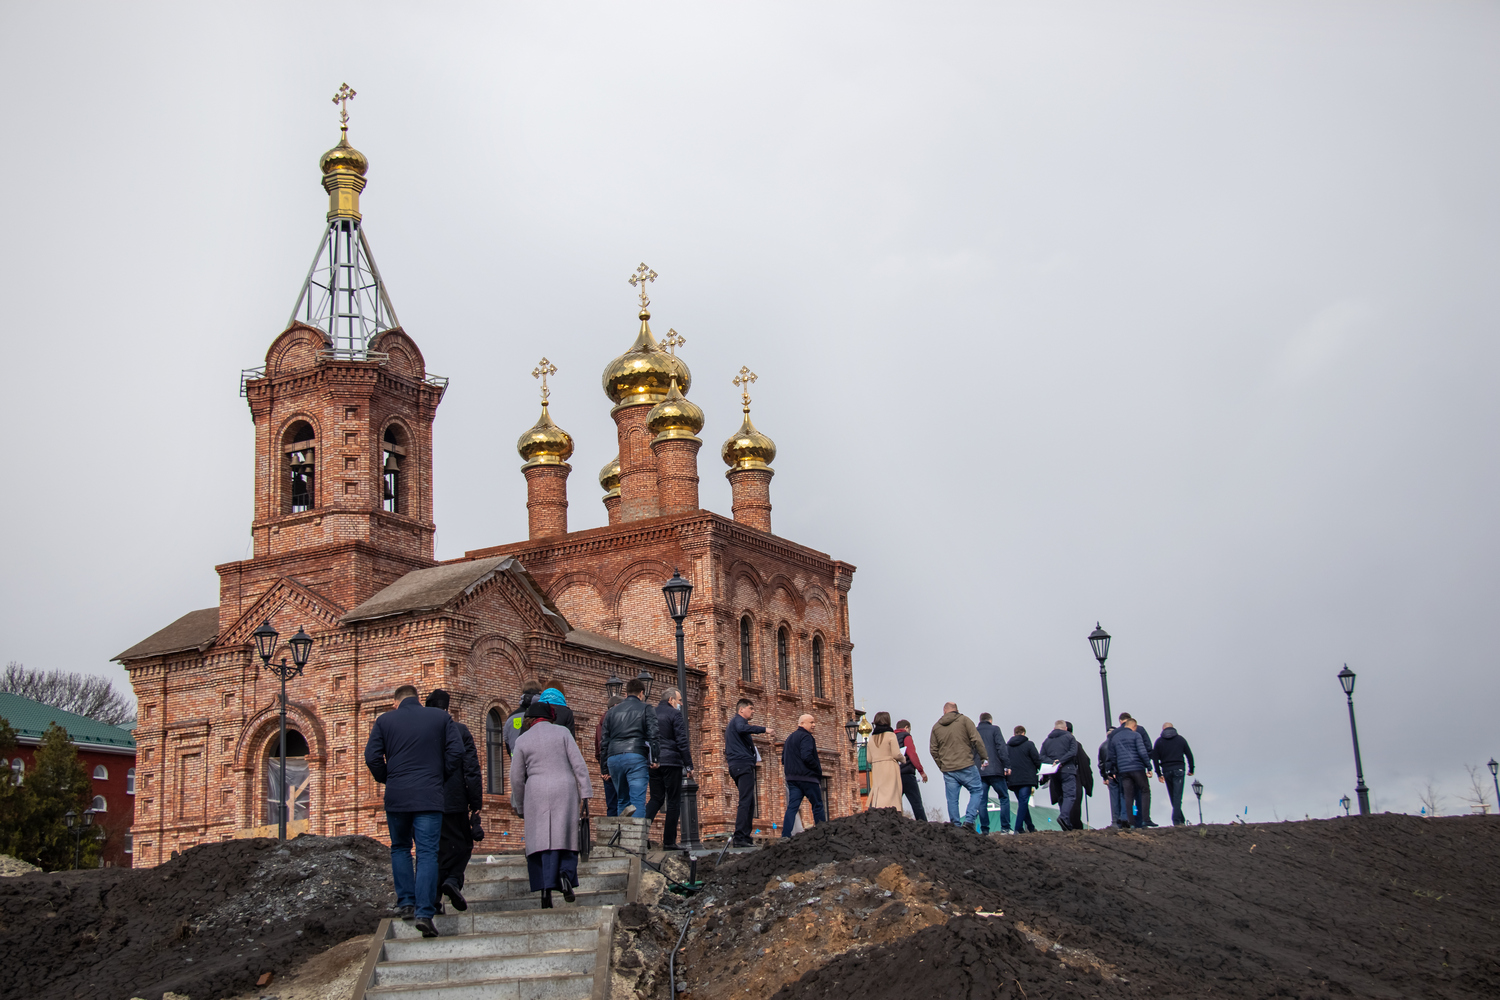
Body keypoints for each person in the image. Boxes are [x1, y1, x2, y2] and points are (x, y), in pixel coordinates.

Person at [364, 684, 463, 937]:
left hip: (397, 796)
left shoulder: (384, 720)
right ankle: (424, 913)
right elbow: (457, 751)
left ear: (396, 702)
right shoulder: (440, 717)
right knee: (428, 852)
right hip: (429, 796)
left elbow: (372, 757)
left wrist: (389, 778)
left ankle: (406, 903)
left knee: (400, 847)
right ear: (418, 700)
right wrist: (439, 775)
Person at [509, 701, 593, 908]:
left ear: (529, 720)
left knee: (541, 840)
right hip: (563, 787)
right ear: (550, 717)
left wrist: (520, 805)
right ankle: (565, 875)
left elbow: (516, 778)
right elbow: (579, 765)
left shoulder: (522, 740)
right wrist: (586, 794)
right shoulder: (563, 733)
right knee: (565, 835)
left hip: (536, 790)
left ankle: (545, 889)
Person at [424, 689, 482, 915]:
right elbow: (471, 769)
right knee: (463, 844)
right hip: (454, 799)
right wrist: (476, 802)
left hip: (426, 800)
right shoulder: (459, 730)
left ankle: (434, 902)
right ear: (447, 709)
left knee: (433, 851)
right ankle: (453, 879)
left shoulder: (421, 733)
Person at [601, 678, 659, 817]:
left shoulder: (611, 712)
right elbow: (654, 735)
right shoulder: (646, 708)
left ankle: (622, 836)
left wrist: (604, 768)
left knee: (622, 799)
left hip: (614, 757)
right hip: (636, 755)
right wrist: (655, 758)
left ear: (626, 694)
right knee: (637, 801)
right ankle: (637, 838)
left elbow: (604, 741)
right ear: (641, 693)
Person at [645, 687, 693, 849]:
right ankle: (669, 842)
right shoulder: (674, 714)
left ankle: (640, 835)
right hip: (671, 762)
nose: (680, 704)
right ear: (671, 700)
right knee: (673, 801)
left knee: (656, 799)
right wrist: (688, 764)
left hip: (654, 762)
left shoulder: (650, 713)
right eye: (679, 700)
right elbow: (681, 741)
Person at [929, 703, 988, 830]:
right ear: (956, 710)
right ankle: (969, 821)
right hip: (966, 765)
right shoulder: (965, 721)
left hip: (948, 769)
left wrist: (942, 765)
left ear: (944, 711)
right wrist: (984, 757)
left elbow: (933, 750)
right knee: (977, 790)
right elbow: (976, 740)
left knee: (952, 799)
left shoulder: (936, 727)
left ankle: (955, 826)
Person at [724, 698, 770, 847]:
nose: (753, 711)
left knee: (749, 802)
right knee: (746, 801)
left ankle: (745, 836)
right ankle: (739, 837)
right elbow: (742, 728)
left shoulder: (737, 723)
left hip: (740, 765)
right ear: (741, 710)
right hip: (741, 765)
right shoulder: (738, 721)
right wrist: (764, 730)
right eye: (751, 708)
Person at [781, 713, 827, 834]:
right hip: (808, 778)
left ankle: (785, 835)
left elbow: (783, 759)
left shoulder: (789, 738)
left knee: (792, 807)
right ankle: (822, 832)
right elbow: (806, 756)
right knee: (817, 805)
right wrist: (817, 769)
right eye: (811, 722)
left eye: (814, 722)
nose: (814, 725)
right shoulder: (806, 737)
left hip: (792, 779)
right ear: (802, 724)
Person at [1109, 715, 1154, 829]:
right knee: (1144, 791)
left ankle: (1130, 821)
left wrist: (1114, 769)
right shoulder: (1136, 735)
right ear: (1133, 726)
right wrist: (1148, 767)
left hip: (1123, 770)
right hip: (1137, 767)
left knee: (1128, 795)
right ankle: (1145, 819)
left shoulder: (1115, 737)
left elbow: (1112, 755)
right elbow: (1143, 751)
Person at [1152, 722, 1196, 826]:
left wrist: (1158, 773)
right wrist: (1191, 768)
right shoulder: (1180, 739)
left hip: (1166, 770)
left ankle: (1180, 820)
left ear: (1163, 729)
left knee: (1173, 797)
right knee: (1177, 796)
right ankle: (1177, 821)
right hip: (1179, 769)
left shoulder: (1159, 741)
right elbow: (1189, 754)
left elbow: (1154, 759)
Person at [1039, 719, 1079, 830]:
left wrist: (1053, 762)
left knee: (1061, 796)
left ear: (1054, 728)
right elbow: (1072, 752)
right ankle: (1064, 817)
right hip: (1068, 769)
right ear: (1066, 728)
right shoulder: (1070, 738)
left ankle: (1066, 823)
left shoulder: (1047, 741)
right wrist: (1061, 761)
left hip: (1053, 772)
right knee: (1070, 795)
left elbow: (1041, 756)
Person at [975, 712, 1011, 834]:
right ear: (990, 720)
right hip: (996, 771)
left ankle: (985, 830)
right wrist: (1007, 766)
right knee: (1004, 798)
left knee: (982, 800)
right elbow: (1002, 748)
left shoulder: (974, 731)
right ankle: (1005, 828)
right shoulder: (995, 729)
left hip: (980, 772)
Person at [1005, 726, 1042, 833]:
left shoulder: (1007, 747)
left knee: (1022, 802)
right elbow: (1037, 760)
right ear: (1023, 733)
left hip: (1013, 779)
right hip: (1026, 779)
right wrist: (1044, 773)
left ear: (1014, 733)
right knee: (1023, 802)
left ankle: (1030, 827)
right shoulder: (1029, 744)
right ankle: (1017, 828)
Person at [864, 712, 903, 811]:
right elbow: (896, 754)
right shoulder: (890, 735)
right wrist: (903, 759)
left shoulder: (872, 738)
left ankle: (879, 813)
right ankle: (894, 814)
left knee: (879, 793)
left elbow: (869, 759)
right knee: (891, 794)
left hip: (877, 769)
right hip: (889, 766)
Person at [594, 695, 623, 817]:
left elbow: (598, 749)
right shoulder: (617, 719)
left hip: (607, 766)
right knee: (623, 801)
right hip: (617, 764)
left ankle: (612, 834)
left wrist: (604, 768)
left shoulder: (601, 721)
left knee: (611, 805)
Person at [893, 719, 928, 821]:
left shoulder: (892, 737)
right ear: (906, 727)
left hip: (895, 774)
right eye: (909, 729)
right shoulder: (906, 736)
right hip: (907, 774)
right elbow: (912, 754)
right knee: (916, 803)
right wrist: (921, 771)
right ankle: (923, 824)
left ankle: (894, 822)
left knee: (895, 802)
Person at [503, 681, 543, 753]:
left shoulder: (511, 717)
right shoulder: (543, 714)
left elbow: (506, 740)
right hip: (535, 760)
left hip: (516, 759)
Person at [1068, 722, 1094, 830]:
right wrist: (1087, 782)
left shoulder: (1053, 744)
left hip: (1060, 777)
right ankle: (1075, 825)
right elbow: (1085, 761)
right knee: (1075, 801)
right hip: (1075, 776)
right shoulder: (1075, 744)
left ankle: (1068, 823)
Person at [1099, 725, 1122, 827]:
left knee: (1114, 798)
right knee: (1123, 796)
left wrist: (1104, 776)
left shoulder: (1102, 746)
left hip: (1109, 776)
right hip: (1120, 773)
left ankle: (1115, 820)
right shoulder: (1118, 743)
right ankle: (1124, 819)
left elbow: (1101, 763)